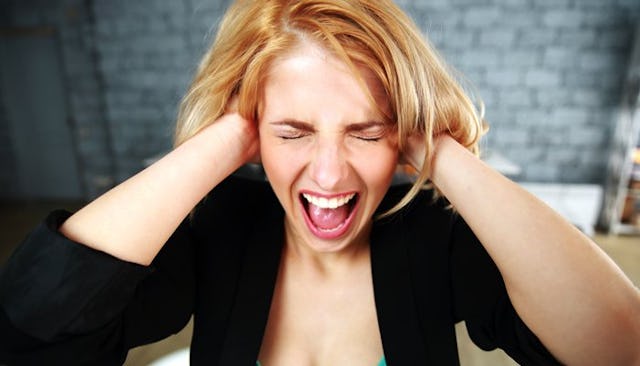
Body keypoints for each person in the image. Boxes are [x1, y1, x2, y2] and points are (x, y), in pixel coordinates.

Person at [1, 0, 639, 365]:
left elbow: (619, 347)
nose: (330, 174)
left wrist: (442, 152)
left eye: (367, 132)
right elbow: (34, 332)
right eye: (293, 132)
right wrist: (223, 141)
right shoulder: (222, 227)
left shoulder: (432, 237)